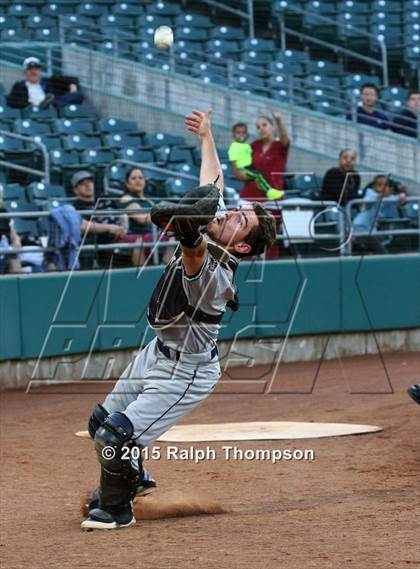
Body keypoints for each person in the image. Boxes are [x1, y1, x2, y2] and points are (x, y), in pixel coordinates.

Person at [81, 109, 276, 531]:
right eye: (236, 210)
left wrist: (188, 231)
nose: (229, 215)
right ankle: (134, 478)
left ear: (242, 248)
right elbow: (214, 183)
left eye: (240, 221)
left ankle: (116, 509)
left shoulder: (219, 275)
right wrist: (207, 136)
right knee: (100, 423)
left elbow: (193, 258)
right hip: (156, 352)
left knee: (116, 437)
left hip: (186, 370)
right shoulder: (218, 226)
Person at [118, 168, 174, 266]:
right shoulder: (126, 198)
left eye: (140, 178)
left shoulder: (150, 201)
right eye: (133, 178)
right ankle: (142, 276)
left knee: (173, 237)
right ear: (127, 184)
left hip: (151, 235)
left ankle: (165, 268)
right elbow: (142, 219)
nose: (138, 180)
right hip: (134, 235)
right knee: (139, 241)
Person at [71, 171, 126, 269]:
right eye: (83, 184)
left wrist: (123, 227)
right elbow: (82, 225)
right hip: (102, 244)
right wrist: (109, 228)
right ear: (75, 190)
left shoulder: (105, 198)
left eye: (90, 182)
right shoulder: (76, 207)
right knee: (138, 244)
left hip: (122, 235)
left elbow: (122, 213)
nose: (88, 185)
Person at [238, 112, 290, 202]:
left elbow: (284, 136)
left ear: (272, 127)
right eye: (258, 127)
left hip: (272, 199)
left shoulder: (280, 145)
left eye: (264, 125)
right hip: (249, 196)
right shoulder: (254, 146)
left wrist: (278, 120)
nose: (261, 128)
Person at [228, 122, 284, 201]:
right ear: (233, 135)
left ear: (247, 134)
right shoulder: (234, 146)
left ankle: (267, 191)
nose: (241, 135)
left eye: (244, 133)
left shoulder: (247, 146)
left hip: (250, 167)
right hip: (243, 168)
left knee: (259, 176)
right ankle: (269, 192)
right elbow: (233, 160)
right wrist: (237, 170)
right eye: (238, 133)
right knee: (258, 176)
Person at [352, 175, 407, 254]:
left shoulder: (386, 197)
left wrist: (402, 195)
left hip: (371, 231)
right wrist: (380, 195)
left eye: (385, 185)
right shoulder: (370, 193)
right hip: (360, 229)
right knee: (382, 252)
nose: (382, 188)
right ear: (374, 186)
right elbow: (368, 202)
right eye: (379, 185)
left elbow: (395, 198)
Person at [6, 57, 84, 109]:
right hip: (32, 110)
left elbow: (73, 79)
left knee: (77, 95)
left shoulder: (49, 82)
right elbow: (12, 102)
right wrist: (32, 105)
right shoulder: (19, 86)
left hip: (52, 108)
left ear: (40, 71)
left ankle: (52, 104)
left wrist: (72, 86)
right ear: (25, 72)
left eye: (36, 69)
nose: (33, 72)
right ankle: (46, 104)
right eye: (30, 69)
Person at [0, 183, 22, 274]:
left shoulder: (4, 212)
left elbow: (14, 235)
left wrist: (16, 241)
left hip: (6, 251)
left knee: (14, 261)